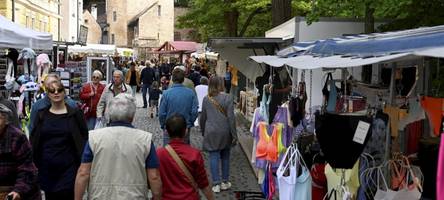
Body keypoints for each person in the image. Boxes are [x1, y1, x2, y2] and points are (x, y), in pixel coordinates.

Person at [74, 94, 162, 200]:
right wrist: (157, 196)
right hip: (134, 195)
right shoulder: (145, 140)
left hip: (100, 195)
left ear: (110, 115)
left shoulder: (94, 138)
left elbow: (83, 173)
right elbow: (154, 176)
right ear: (132, 116)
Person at [30, 80, 88, 199]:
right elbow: (35, 140)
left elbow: (83, 136)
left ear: (64, 92)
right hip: (48, 168)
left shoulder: (75, 113)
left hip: (69, 167)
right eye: (52, 91)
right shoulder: (42, 115)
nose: (56, 93)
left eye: (59, 90)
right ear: (48, 94)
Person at [156, 114, 214, 200]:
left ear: (166, 132)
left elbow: (154, 179)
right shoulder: (194, 154)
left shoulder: (158, 154)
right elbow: (203, 183)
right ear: (186, 131)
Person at [199, 76, 237, 193]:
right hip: (225, 131)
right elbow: (231, 118)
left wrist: (203, 130)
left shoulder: (206, 99)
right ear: (222, 84)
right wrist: (234, 134)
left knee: (213, 156)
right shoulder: (228, 98)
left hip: (211, 131)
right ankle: (225, 181)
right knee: (225, 156)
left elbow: (203, 117)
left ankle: (216, 184)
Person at [0, 104, 41, 200]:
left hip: (16, 191)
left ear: (5, 120)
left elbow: (27, 169)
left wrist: (18, 190)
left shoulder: (17, 137)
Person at [159, 68, 198, 146]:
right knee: (184, 153)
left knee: (168, 153)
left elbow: (162, 113)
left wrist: (163, 125)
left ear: (172, 79)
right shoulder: (190, 93)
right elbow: (194, 111)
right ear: (183, 79)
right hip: (184, 127)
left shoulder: (166, 94)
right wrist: (189, 123)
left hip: (169, 128)